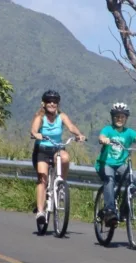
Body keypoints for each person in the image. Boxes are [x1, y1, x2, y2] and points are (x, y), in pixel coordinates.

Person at [95, 102, 136, 227]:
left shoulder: (128, 132)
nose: (120, 119)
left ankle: (124, 210)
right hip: (106, 164)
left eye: (122, 117)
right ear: (113, 117)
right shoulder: (108, 130)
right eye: (117, 117)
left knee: (135, 178)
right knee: (109, 180)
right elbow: (102, 136)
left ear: (126, 118)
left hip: (120, 165)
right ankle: (109, 211)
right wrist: (104, 139)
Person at [31, 90, 86, 224]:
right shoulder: (40, 117)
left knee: (65, 157)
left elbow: (71, 127)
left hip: (57, 148)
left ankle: (61, 184)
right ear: (44, 103)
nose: (52, 104)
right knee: (42, 179)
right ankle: (40, 212)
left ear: (58, 104)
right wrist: (36, 134)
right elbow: (33, 129)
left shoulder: (61, 116)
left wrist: (79, 135)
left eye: (54, 102)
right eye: (49, 101)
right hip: (42, 150)